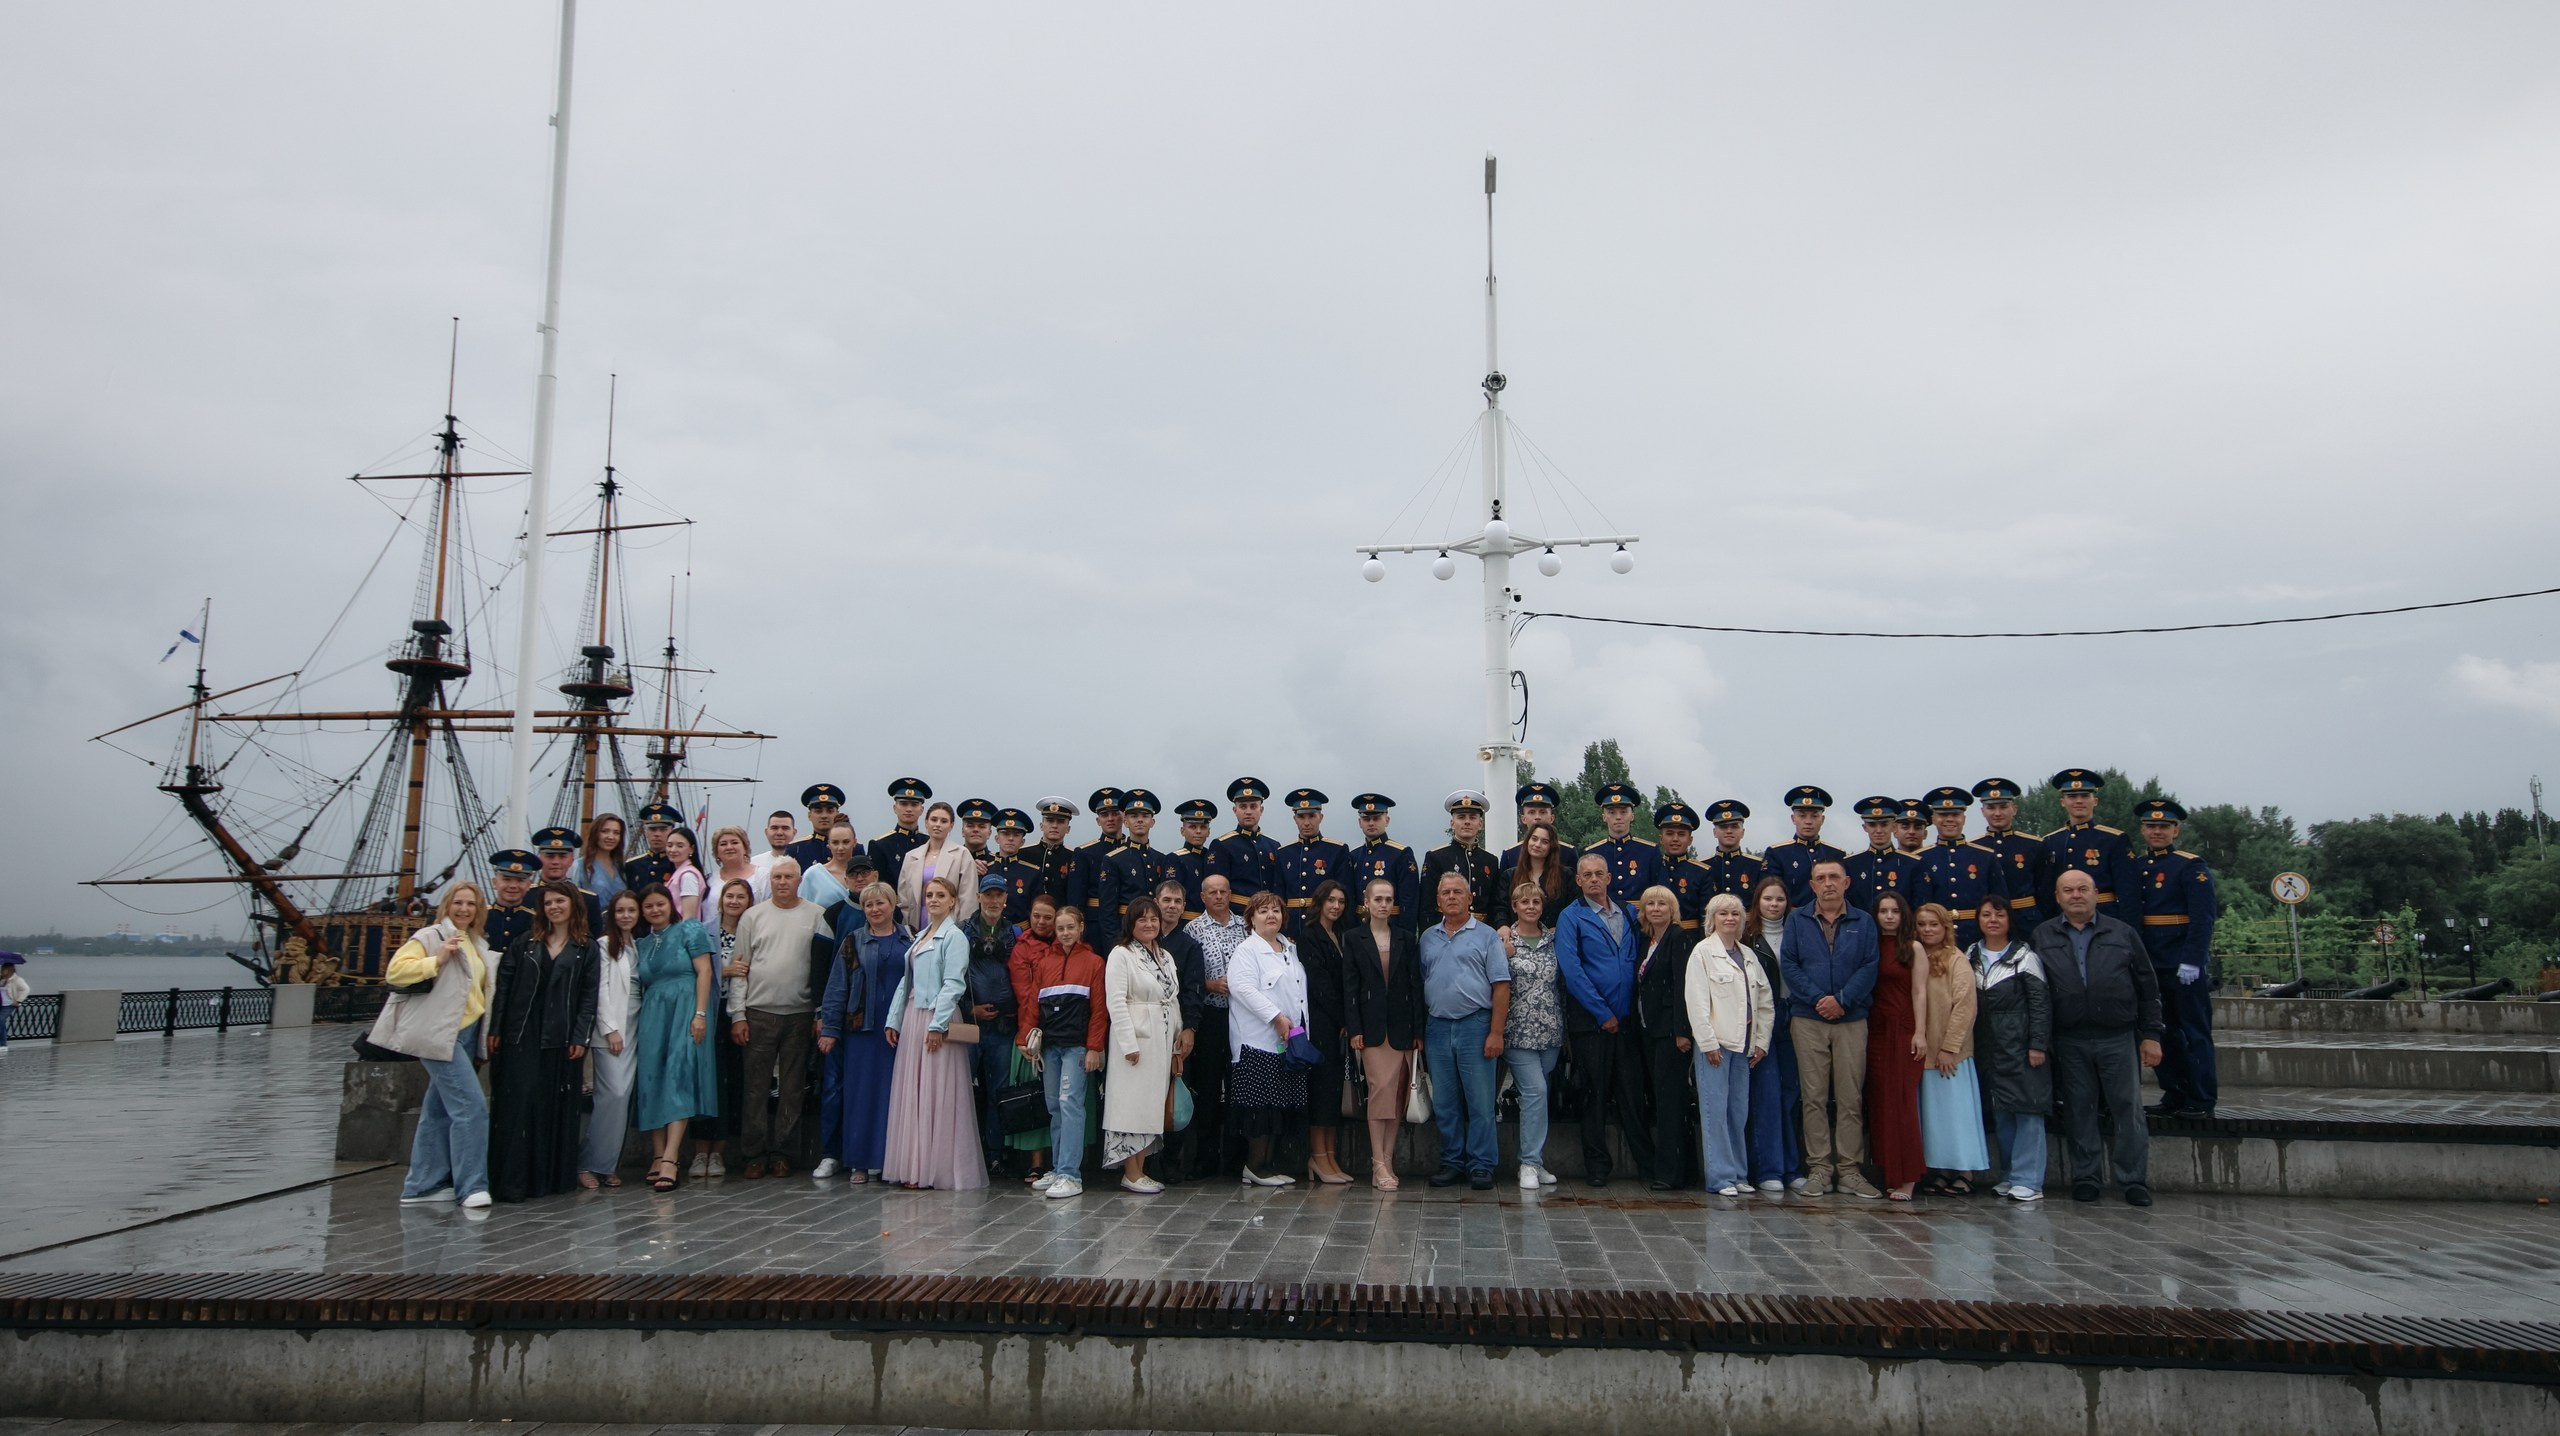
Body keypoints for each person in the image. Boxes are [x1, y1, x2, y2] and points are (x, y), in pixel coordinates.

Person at [2032, 869, 2164, 1206]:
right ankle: (2086, 1176)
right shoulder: (2042, 936)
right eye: (2067, 890)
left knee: (2128, 1110)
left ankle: (2133, 1180)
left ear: (2096, 894)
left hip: (2117, 1036)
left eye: (2082, 889)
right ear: (2057, 897)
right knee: (2079, 1110)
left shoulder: (2122, 933)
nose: (2075, 895)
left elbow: (2148, 988)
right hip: (2069, 1038)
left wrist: (2151, 1035)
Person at [373, 881, 499, 1209]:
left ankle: (422, 1186)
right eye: (458, 903)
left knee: (438, 1110)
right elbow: (395, 972)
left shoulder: (477, 942)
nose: (464, 909)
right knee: (471, 1107)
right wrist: (437, 960)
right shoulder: (431, 937)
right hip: (440, 1034)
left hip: (467, 1033)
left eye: (471, 904)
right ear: (447, 905)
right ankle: (471, 1185)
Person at [485, 880, 597, 1203]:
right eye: (548, 903)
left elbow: (589, 996)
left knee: (554, 1105)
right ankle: (513, 1181)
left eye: (560, 901)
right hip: (522, 1031)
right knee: (519, 1104)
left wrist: (581, 1036)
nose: (554, 908)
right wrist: (496, 1029)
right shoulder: (525, 943)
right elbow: (504, 987)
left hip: (561, 1035)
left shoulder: (585, 947)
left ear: (573, 904)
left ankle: (549, 1178)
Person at [1781, 857, 1883, 1199]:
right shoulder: (1797, 920)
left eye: (1834, 877)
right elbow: (1790, 965)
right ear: (1811, 885)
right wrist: (1818, 999)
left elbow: (1870, 966)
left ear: (1846, 883)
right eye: (1820, 878)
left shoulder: (1864, 922)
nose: (1827, 883)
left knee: (1851, 1097)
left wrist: (1841, 999)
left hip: (1851, 1019)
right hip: (1808, 1019)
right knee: (1813, 1097)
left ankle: (1850, 1170)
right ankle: (1821, 1168)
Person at [880, 875, 985, 1190]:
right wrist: (893, 1019)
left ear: (953, 900)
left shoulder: (955, 937)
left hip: (936, 1017)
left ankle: (933, 1168)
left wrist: (938, 1025)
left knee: (934, 1093)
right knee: (913, 1092)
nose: (934, 899)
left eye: (941, 895)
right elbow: (906, 980)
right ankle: (913, 1164)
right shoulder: (921, 935)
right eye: (930, 894)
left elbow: (954, 983)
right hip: (914, 1015)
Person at [726, 857, 828, 1178]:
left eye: (788, 877)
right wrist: (737, 1015)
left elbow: (822, 967)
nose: (782, 882)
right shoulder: (752, 917)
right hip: (758, 1013)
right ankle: (753, 1153)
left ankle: (784, 1152)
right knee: (755, 1087)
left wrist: (818, 1012)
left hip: (799, 1013)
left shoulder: (817, 915)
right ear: (769, 880)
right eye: (777, 876)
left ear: (799, 880)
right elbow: (739, 970)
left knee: (793, 1086)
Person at [1554, 852, 1651, 1187]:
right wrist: (1602, 1012)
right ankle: (1597, 1166)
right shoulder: (1572, 916)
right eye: (1587, 875)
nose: (1594, 880)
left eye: (1600, 874)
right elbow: (1572, 970)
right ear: (1578, 881)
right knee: (1593, 1096)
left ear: (1609, 878)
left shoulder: (1629, 912)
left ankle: (1646, 1164)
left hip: (1626, 1021)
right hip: (1593, 1023)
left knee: (1632, 1094)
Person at [1417, 870, 1512, 1190]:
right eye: (1446, 893)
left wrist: (1496, 1033)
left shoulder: (1486, 936)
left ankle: (1482, 1164)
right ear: (1438, 900)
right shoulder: (1427, 937)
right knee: (1444, 1101)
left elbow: (1501, 987)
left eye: (1459, 892)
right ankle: (1452, 1161)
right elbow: (1422, 982)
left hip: (1476, 1025)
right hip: (1438, 1027)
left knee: (1480, 1101)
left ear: (1471, 899)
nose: (1452, 897)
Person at [2133, 798, 2220, 1119]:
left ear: (2176, 830)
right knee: (2161, 1032)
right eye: (2151, 826)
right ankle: (2174, 1092)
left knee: (2194, 1032)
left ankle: (2201, 1098)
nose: (2157, 832)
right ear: (2142, 829)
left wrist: (2193, 960)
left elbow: (2203, 919)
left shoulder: (2190, 866)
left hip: (2182, 963)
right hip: (2150, 962)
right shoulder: (2139, 867)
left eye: (2164, 826)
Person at [816, 881, 908, 1183]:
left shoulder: (910, 941)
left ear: (892, 905)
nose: (874, 909)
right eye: (869, 904)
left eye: (880, 903)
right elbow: (836, 987)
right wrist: (829, 1029)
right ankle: (858, 1161)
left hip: (897, 1030)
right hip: (862, 1029)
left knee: (891, 1096)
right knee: (860, 1096)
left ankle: (886, 1160)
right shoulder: (852, 941)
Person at [631, 883, 719, 1191]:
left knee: (678, 1076)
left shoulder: (690, 930)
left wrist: (701, 1013)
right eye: (649, 906)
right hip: (653, 1012)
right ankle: (657, 1155)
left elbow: (705, 972)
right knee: (652, 1078)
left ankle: (671, 1156)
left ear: (671, 904)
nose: (655, 910)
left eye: (660, 904)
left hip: (685, 1006)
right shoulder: (641, 943)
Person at [1686, 892, 1774, 1196]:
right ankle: (1720, 1177)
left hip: (1744, 1046)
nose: (1730, 918)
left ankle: (1738, 1173)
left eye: (1735, 914)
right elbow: (1696, 1002)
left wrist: (1761, 1041)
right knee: (1714, 1111)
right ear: (1712, 919)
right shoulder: (1702, 953)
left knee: (1738, 1111)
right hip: (1717, 1046)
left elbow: (1764, 1002)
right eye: (1723, 913)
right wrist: (1707, 1043)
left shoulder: (1748, 955)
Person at [1343, 877, 1425, 1190]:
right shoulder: (1354, 937)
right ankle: (1377, 1161)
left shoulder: (1406, 938)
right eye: (1378, 899)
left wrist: (1419, 1031)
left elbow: (1415, 986)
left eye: (1388, 899)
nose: (1383, 904)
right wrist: (1355, 1028)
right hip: (1372, 1031)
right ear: (1366, 902)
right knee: (1380, 1094)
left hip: (1403, 1030)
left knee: (1399, 1098)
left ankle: (1389, 1158)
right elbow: (1349, 985)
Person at [1969, 899, 2052, 1202]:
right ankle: (2010, 1175)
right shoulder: (1970, 956)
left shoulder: (2025, 957)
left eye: (1999, 915)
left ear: (2009, 919)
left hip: (2021, 1045)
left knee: (2028, 1111)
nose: (1993, 920)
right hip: (1988, 1048)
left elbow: (2040, 1005)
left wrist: (2037, 1044)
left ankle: (2030, 1180)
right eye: (1986, 915)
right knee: (2002, 1111)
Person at [1227, 891, 1312, 1187]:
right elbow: (1243, 989)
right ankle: (1254, 1165)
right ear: (1251, 918)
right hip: (1257, 1042)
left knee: (1278, 1106)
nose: (1270, 916)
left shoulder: (1289, 948)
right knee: (1260, 1108)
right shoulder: (1247, 951)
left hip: (1289, 1042)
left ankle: (1268, 1163)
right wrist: (1276, 1017)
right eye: (1262, 911)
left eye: (1276, 910)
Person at [1026, 903, 1109, 1199]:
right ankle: (1059, 1167)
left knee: (1070, 1105)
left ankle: (1070, 1175)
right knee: (1055, 1107)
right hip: (1050, 1047)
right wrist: (1026, 1038)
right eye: (1060, 928)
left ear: (1081, 927)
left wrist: (1094, 1048)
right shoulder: (1045, 963)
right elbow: (1032, 1003)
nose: (1064, 933)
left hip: (1076, 1047)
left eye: (1070, 927)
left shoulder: (1094, 962)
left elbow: (1100, 1010)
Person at [1103, 898, 1183, 1194]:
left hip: (1162, 1037)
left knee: (1150, 1103)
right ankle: (1131, 1172)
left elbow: (1172, 997)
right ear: (1131, 924)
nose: (1149, 924)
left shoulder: (1164, 956)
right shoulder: (1121, 954)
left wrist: (1177, 1040)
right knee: (1130, 1103)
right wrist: (1128, 1043)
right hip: (1136, 1037)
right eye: (1142, 920)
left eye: (1154, 919)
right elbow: (1116, 1001)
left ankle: (1141, 1168)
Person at [1912, 902, 1991, 1194]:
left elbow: (1965, 1006)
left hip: (1949, 1053)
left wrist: (1950, 1047)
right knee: (1935, 1117)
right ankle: (1941, 1169)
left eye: (1934, 924)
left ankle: (1965, 1171)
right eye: (1922, 924)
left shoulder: (1956, 959)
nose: (1928, 930)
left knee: (1956, 1115)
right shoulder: (1916, 956)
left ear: (1945, 927)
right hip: (1923, 1052)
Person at [1180, 874, 1250, 1180]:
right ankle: (1205, 1160)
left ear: (1231, 893)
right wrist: (1209, 984)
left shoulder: (1247, 927)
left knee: (1237, 1087)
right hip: (1209, 1016)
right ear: (1203, 896)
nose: (1219, 896)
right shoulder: (1192, 929)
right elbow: (1185, 975)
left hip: (1241, 1017)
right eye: (1212, 892)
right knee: (1208, 1087)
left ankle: (1236, 1159)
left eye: (1223, 891)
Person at [1739, 874, 1806, 1194]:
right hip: (1761, 1020)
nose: (1774, 905)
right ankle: (1768, 1167)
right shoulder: (1746, 936)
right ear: (1757, 902)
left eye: (1780, 899)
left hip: (1795, 1016)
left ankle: (1793, 1167)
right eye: (1768, 899)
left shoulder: (1799, 931)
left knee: (1792, 1094)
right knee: (1764, 1095)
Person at [1497, 880, 1564, 1188]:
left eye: (1536, 902)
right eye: (1524, 903)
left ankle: (1536, 1162)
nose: (1531, 907)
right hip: (1517, 1030)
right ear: (1515, 907)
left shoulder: (1553, 939)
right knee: (1535, 1091)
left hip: (1550, 1031)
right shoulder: (1505, 941)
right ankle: (1528, 1163)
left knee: (1539, 1095)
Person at [687, 879, 753, 1178]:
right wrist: (723, 971)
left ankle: (721, 1153)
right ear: (721, 898)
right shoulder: (705, 930)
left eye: (741, 896)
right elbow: (693, 969)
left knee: (733, 1082)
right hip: (710, 1012)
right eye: (730, 895)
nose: (735, 901)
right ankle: (701, 1151)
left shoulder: (753, 929)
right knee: (707, 1081)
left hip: (741, 1014)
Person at [1864, 891, 1927, 1202]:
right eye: (1883, 911)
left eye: (1894, 911)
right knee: (1880, 1104)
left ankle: (1908, 1178)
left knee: (1903, 1104)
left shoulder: (1913, 948)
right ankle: (1889, 1172)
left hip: (1903, 1031)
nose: (1889, 916)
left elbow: (1920, 993)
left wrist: (1921, 1032)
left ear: (1904, 915)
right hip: (1874, 1029)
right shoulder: (1870, 947)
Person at [1631, 884, 1695, 1191]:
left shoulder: (1679, 938)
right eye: (1650, 904)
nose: (1656, 909)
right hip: (1649, 1030)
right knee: (1661, 1099)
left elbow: (1685, 986)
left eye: (1662, 904)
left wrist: (1683, 1031)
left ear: (1673, 910)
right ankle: (1680, 1167)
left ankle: (1671, 1173)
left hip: (1671, 1033)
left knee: (1671, 1104)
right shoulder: (1647, 941)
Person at [960, 873, 1023, 1174]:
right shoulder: (962, 932)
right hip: (970, 1025)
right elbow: (954, 978)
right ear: (979, 897)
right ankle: (962, 1150)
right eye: (989, 895)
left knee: (999, 1092)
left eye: (999, 895)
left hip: (1002, 1026)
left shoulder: (1016, 934)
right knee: (962, 1090)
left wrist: (1009, 1010)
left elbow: (1022, 979)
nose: (994, 901)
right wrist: (968, 1008)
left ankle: (995, 1153)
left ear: (1006, 899)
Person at [1295, 880, 1355, 1184]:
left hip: (1340, 1022)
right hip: (1320, 1021)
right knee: (1320, 1089)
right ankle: (1317, 1157)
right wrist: (1341, 1016)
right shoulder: (1309, 936)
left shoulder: (1342, 934)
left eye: (1341, 901)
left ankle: (1331, 1155)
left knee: (1333, 1090)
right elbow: (1318, 983)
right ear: (1319, 902)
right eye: (1331, 900)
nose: (1336, 906)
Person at [1005, 896, 1066, 1184]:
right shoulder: (1022, 948)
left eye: (1048, 917)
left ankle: (1065, 1160)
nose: (1042, 922)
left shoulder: (1066, 943)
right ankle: (1036, 1162)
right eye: (1037, 916)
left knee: (1063, 1099)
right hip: (1033, 1029)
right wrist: (1028, 1032)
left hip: (1065, 1030)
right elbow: (1024, 992)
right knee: (1034, 1097)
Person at [582, 885, 639, 1188]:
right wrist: (609, 1028)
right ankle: (589, 1163)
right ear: (611, 915)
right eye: (621, 911)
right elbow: (600, 989)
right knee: (612, 1095)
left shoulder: (639, 945)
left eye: (631, 910)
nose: (626, 915)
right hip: (612, 1033)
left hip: (636, 1030)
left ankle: (608, 1164)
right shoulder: (604, 946)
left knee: (623, 1099)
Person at [2041, 768, 2141, 923]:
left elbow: (2129, 892)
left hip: (2104, 919)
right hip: (2062, 921)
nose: (2079, 801)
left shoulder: (2114, 839)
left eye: (2085, 796)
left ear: (2095, 801)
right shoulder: (2050, 841)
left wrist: (2128, 932)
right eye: (2072, 796)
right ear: (2063, 802)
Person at [1916, 787, 2010, 949]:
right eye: (1943, 815)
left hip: (1976, 936)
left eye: (1955, 814)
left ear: (1964, 818)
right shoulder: (1920, 858)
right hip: (1935, 939)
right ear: (1933, 818)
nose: (1949, 819)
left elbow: (1999, 902)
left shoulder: (1985, 857)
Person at [1971, 778, 2048, 931]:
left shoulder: (2034, 845)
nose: (1997, 813)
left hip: (2027, 920)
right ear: (1983, 811)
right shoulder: (1974, 848)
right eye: (1991, 808)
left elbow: (2044, 889)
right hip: (1990, 923)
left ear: (2014, 809)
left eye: (2003, 807)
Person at [1276, 788, 1353, 934]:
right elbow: (1279, 896)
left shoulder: (1337, 850)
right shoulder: (1283, 853)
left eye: (1312, 816)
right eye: (1301, 817)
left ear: (1321, 817)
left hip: (1324, 926)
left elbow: (1345, 895)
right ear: (1295, 819)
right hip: (1291, 928)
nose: (1306, 822)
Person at [1423, 790, 1504, 925]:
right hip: (1445, 930)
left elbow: (1494, 904)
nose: (1467, 822)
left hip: (1482, 932)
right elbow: (1427, 905)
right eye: (1461, 817)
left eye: (1472, 817)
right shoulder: (1436, 857)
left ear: (1480, 824)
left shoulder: (1490, 860)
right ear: (1452, 823)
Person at [897, 801, 983, 929]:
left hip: (950, 926)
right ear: (926, 822)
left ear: (951, 825)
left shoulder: (962, 855)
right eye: (934, 820)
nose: (938, 825)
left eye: (944, 821)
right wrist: (907, 928)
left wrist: (961, 930)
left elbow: (968, 901)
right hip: (915, 925)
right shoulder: (911, 856)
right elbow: (904, 899)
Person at [1102, 789, 1171, 947]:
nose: (1140, 820)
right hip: (1125, 932)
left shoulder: (1161, 859)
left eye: (1145, 816)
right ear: (1125, 821)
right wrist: (1114, 946)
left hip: (1154, 933)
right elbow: (1108, 911)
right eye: (1134, 816)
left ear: (1152, 822)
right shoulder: (1113, 859)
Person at [1344, 793, 1420, 932]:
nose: (1371, 823)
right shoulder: (1354, 856)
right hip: (1359, 929)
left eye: (1376, 818)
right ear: (1360, 822)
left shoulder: (1401, 854)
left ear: (1387, 820)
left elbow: (1409, 901)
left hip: (1391, 927)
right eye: (1366, 819)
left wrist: (1405, 936)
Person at [1762, 787, 1847, 910]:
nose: (1808, 822)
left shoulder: (1836, 854)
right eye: (1802, 816)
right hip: (1790, 920)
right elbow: (1769, 893)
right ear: (1793, 819)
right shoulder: (1777, 853)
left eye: (1814, 816)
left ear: (1822, 820)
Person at [1067, 787, 1131, 946]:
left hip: (1128, 922)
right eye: (1104, 815)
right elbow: (1076, 898)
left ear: (1123, 817)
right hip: (1094, 926)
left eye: (1115, 813)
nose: (1110, 818)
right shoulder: (1084, 853)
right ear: (1098, 820)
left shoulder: (1133, 851)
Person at [1586, 782, 1667, 906]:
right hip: (1603, 918)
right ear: (1604, 817)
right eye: (1612, 812)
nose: (1618, 817)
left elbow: (1659, 891)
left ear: (1632, 816)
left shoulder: (1649, 851)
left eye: (1623, 812)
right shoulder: (1592, 853)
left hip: (1639, 919)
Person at [1844, 796, 1920, 914]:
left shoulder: (1911, 864)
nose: (1878, 830)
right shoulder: (1851, 864)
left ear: (1894, 827)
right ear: (1865, 827)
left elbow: (1917, 907)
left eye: (1884, 824)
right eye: (1873, 825)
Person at [1653, 802, 1715, 932]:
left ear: (1690, 840)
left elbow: (1706, 916)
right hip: (1655, 936)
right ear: (1661, 838)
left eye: (1681, 834)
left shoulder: (1701, 872)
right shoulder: (1652, 867)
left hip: (1689, 938)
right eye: (1669, 834)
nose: (1675, 839)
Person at [532, 826, 605, 934]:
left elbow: (594, 940)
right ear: (539, 859)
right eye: (550, 856)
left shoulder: (588, 900)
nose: (556, 862)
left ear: (571, 860)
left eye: (562, 856)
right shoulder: (525, 896)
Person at [1500, 820, 1572, 925]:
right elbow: (1500, 907)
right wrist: (1502, 925)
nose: (1537, 845)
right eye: (1534, 839)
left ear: (1551, 846)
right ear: (1527, 841)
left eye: (1545, 842)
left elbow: (1571, 909)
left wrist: (1560, 929)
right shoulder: (1510, 876)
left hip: (1557, 936)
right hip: (1516, 937)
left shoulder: (1565, 875)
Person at [1698, 800, 1767, 902]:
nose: (1729, 831)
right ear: (1714, 832)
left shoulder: (1757, 865)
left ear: (1742, 832)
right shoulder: (1701, 867)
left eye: (1734, 826)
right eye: (1723, 827)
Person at [986, 807, 1045, 924]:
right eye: (1006, 834)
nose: (1011, 838)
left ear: (1022, 842)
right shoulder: (985, 870)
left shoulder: (1032, 873)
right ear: (997, 838)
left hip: (1021, 935)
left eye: (1016, 835)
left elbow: (1037, 908)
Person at [1502, 781, 1579, 871]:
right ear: (1523, 819)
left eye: (1542, 812)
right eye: (1531, 812)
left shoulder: (1567, 853)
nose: (1537, 817)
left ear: (1552, 818)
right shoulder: (1510, 855)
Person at [869, 777, 932, 880]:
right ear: (894, 808)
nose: (909, 809)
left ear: (922, 810)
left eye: (914, 805)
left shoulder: (929, 842)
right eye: (903, 804)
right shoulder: (880, 845)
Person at [1166, 799, 1219, 918]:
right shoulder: (1175, 859)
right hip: (1185, 920)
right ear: (1182, 831)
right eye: (1193, 827)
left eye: (1203, 827)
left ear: (1209, 831)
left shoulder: (1213, 857)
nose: (1198, 831)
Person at [482, 849, 541, 953]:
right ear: (495, 883)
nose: (513, 886)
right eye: (507, 879)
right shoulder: (480, 916)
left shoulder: (536, 921)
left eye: (520, 880)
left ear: (528, 885)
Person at [798, 819, 864, 912]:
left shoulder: (866, 873)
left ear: (854, 842)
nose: (840, 848)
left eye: (845, 842)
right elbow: (801, 909)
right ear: (828, 844)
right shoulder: (813, 875)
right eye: (835, 843)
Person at [1026, 796, 1080, 909]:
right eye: (1050, 820)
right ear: (1041, 826)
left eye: (1060, 822)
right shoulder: (1024, 854)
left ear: (1068, 828)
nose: (1054, 826)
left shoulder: (1074, 857)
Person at [784, 784, 847, 871]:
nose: (824, 816)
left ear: (837, 814)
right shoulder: (796, 849)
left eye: (830, 810)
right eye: (818, 811)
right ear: (809, 816)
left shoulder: (853, 847)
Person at [573, 813, 630, 908]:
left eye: (616, 833)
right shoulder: (578, 866)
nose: (611, 837)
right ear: (595, 833)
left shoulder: (623, 867)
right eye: (605, 831)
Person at [624, 802, 681, 891]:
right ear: (646, 832)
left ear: (672, 831)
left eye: (663, 830)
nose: (657, 834)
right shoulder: (632, 865)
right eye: (652, 829)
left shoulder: (677, 864)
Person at [662, 826, 707, 923]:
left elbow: (689, 918)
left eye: (680, 846)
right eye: (669, 845)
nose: (673, 850)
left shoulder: (688, 876)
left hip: (681, 935)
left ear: (692, 849)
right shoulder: (678, 873)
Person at [750, 810, 799, 897]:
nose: (779, 833)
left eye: (785, 828)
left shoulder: (803, 861)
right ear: (766, 832)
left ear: (794, 832)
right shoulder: (753, 864)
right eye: (774, 828)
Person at [707, 825, 759, 907]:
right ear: (716, 852)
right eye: (723, 844)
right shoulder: (709, 880)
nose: (729, 847)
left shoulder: (762, 876)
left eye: (734, 842)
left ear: (745, 848)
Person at [957, 797, 1002, 869]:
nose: (976, 830)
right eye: (970, 826)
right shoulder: (953, 860)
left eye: (981, 826)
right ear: (962, 831)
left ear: (989, 833)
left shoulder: (998, 864)